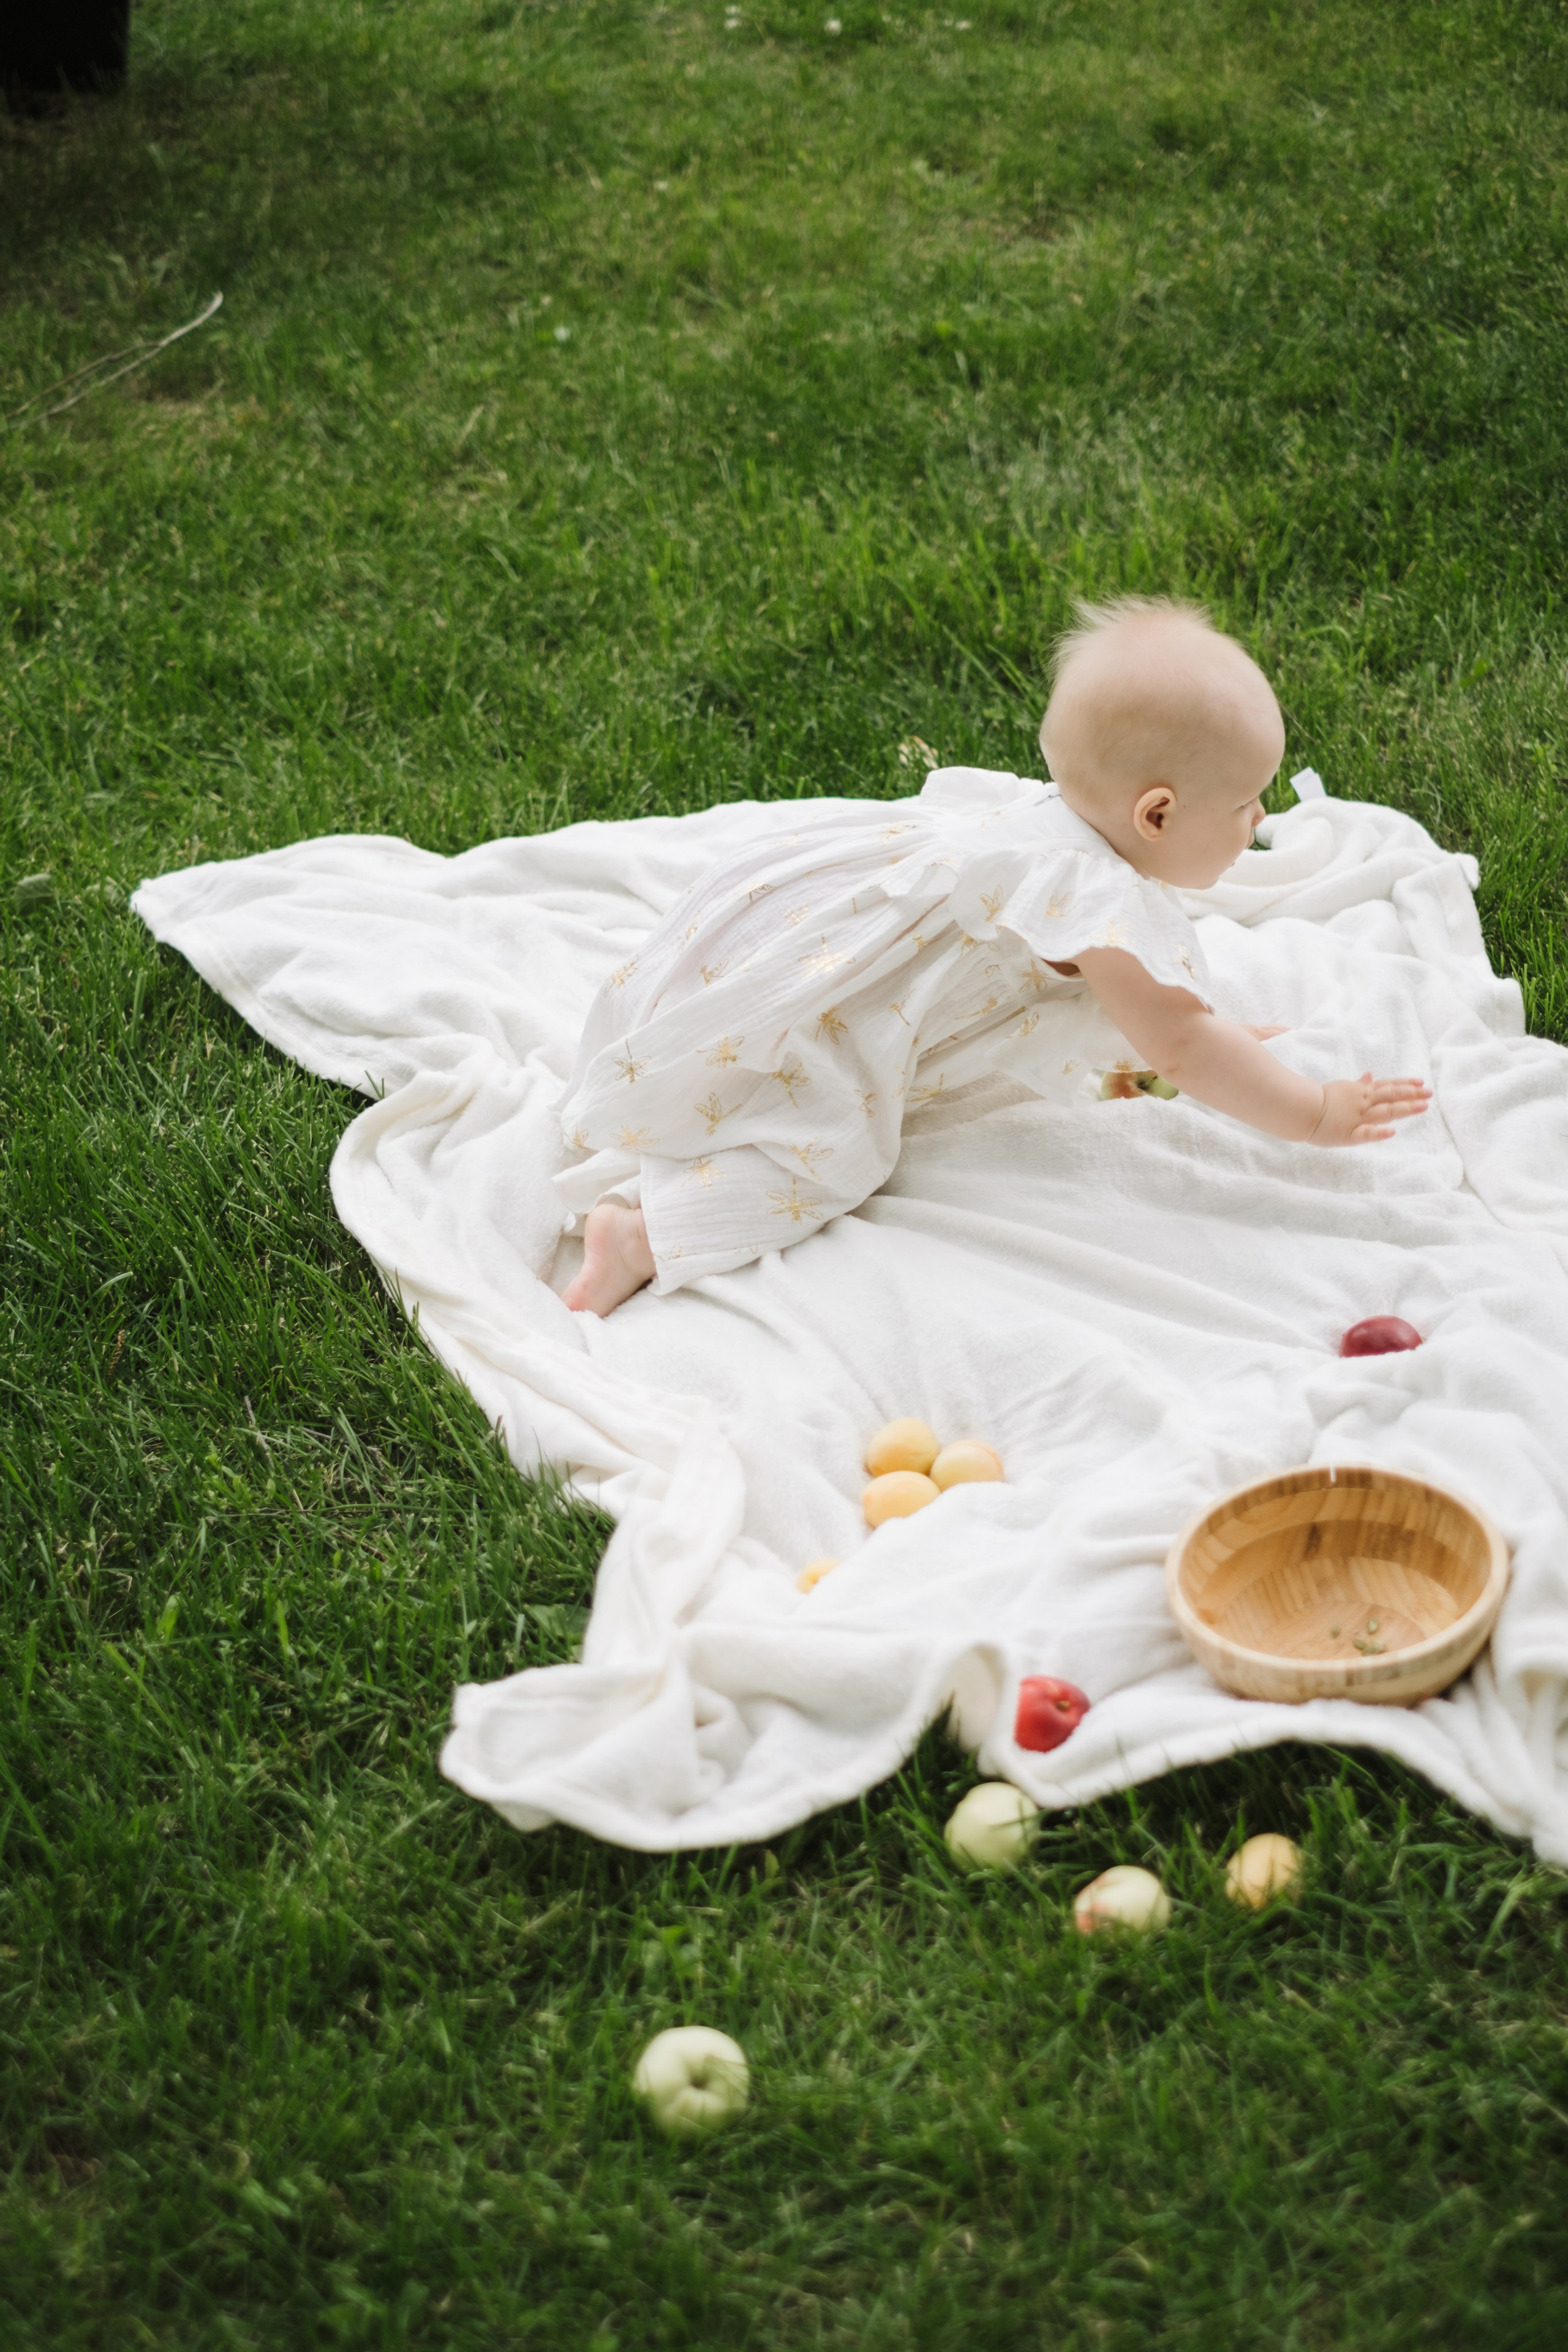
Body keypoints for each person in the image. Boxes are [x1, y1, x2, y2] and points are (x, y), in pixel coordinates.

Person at [556, 595, 1430, 1315]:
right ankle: (640, 1235)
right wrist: (1313, 1111)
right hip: (836, 1019)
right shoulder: (1099, 901)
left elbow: (1123, 1021)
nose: (1262, 818)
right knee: (829, 1156)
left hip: (786, 941)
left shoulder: (1044, 823)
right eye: (1246, 802)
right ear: (1157, 815)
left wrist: (1190, 1049)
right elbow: (1183, 1045)